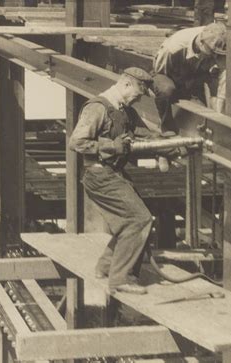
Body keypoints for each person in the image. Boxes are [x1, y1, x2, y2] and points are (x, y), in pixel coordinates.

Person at [68, 67, 161, 295]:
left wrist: (170, 143)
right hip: (98, 175)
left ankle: (107, 266)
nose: (140, 98)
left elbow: (145, 134)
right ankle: (120, 279)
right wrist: (111, 146)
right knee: (139, 219)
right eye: (139, 92)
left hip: (112, 174)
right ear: (126, 84)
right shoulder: (98, 108)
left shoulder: (125, 111)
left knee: (129, 221)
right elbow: (76, 143)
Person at [152, 21, 227, 133]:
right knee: (166, 89)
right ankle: (167, 128)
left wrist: (218, 116)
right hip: (170, 74)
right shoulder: (173, 48)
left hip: (193, 75)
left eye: (217, 54)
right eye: (212, 52)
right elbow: (159, 71)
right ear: (201, 44)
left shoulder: (216, 37)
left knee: (201, 110)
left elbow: (221, 81)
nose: (215, 57)